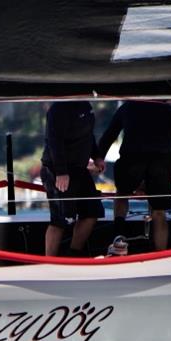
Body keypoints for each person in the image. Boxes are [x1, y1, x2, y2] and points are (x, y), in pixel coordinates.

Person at [97, 101, 171, 251]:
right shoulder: (170, 111)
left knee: (122, 194)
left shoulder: (128, 106)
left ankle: (119, 237)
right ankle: (161, 254)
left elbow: (110, 134)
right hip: (162, 162)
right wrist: (169, 169)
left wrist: (98, 158)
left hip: (132, 158)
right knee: (159, 210)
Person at [40, 101, 106, 256]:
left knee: (92, 212)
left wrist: (97, 156)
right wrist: (61, 172)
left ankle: (74, 254)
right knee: (60, 221)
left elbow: (89, 136)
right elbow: (54, 141)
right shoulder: (57, 110)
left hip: (80, 169)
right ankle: (49, 263)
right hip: (56, 170)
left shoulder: (86, 106)